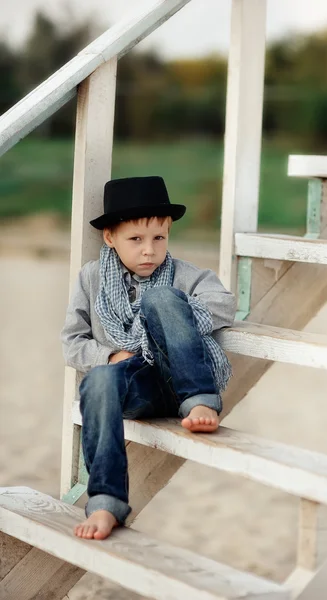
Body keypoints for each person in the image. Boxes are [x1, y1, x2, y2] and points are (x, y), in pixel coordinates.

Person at [61, 176, 236, 541]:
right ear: (110, 237)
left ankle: (200, 401)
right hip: (136, 385)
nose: (149, 251)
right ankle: (106, 500)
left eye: (159, 238)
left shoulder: (184, 274)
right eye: (136, 240)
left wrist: (174, 316)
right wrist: (112, 355)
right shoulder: (91, 279)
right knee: (98, 380)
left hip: (179, 377)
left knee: (161, 300)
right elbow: (73, 342)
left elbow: (224, 303)